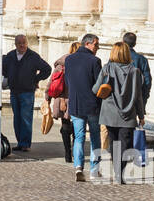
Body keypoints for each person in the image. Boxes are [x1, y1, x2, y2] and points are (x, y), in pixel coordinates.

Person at [92, 41, 145, 184]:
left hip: (109, 112)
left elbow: (95, 89)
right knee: (125, 144)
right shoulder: (135, 72)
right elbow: (139, 96)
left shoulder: (107, 69)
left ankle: (117, 170)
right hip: (128, 114)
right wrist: (141, 115)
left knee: (113, 143)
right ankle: (119, 172)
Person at [63, 33, 103, 181]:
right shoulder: (95, 61)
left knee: (79, 137)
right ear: (87, 44)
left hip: (76, 103)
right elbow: (99, 83)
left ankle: (78, 166)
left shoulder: (70, 59)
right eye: (96, 45)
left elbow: (67, 81)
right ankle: (94, 169)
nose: (97, 48)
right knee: (94, 137)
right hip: (92, 104)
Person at [2, 34, 52, 152]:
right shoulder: (10, 56)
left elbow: (47, 69)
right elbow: (4, 69)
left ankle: (25, 143)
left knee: (26, 118)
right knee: (17, 118)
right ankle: (20, 142)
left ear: (27, 43)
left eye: (24, 43)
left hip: (27, 92)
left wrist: (36, 79)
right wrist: (10, 78)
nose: (22, 45)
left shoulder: (33, 56)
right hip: (14, 91)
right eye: (19, 43)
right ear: (16, 44)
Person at [48, 42, 80, 162]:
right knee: (77, 127)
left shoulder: (60, 66)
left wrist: (48, 98)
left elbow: (51, 83)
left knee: (65, 126)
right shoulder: (77, 65)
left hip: (61, 100)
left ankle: (68, 153)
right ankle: (74, 150)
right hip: (73, 99)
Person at [122, 32, 152, 110]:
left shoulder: (116, 57)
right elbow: (147, 81)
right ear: (135, 43)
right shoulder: (141, 59)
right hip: (135, 97)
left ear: (123, 42)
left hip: (117, 98)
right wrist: (144, 97)